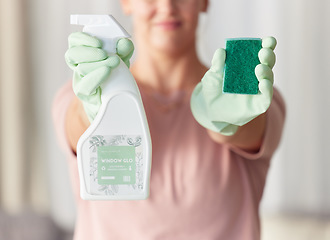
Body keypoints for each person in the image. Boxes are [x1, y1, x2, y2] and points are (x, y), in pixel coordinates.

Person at [53, 0, 285, 239]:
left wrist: (226, 121)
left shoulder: (253, 98)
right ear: (126, 2)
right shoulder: (79, 94)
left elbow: (253, 129)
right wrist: (99, 108)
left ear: (204, 2)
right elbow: (76, 126)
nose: (167, 6)